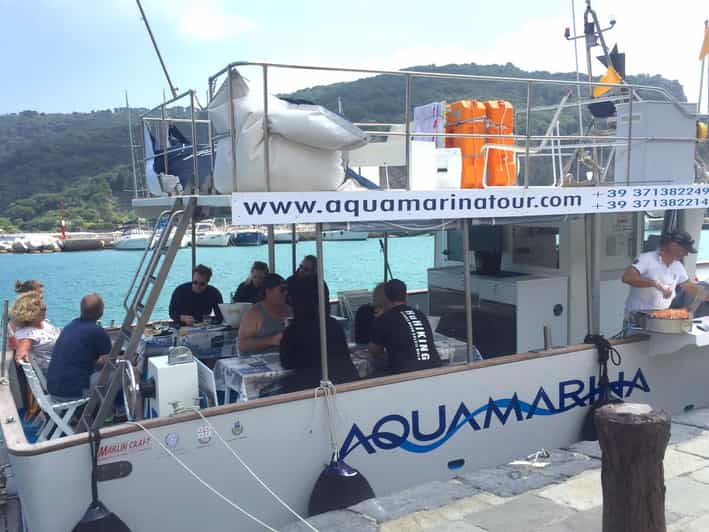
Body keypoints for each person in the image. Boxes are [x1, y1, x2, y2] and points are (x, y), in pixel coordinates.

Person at [280, 279, 358, 391]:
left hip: (311, 388)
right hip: (346, 383)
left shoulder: (293, 330)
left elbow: (286, 363)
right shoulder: (333, 324)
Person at [622, 230, 707, 314]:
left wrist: (706, 296)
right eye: (685, 250)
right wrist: (655, 284)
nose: (686, 254)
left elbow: (689, 286)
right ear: (673, 246)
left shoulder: (678, 266)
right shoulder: (646, 259)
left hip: (661, 315)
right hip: (637, 314)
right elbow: (627, 278)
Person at [368, 279, 442, 374]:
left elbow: (374, 351)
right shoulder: (420, 315)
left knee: (375, 366)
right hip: (435, 370)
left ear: (387, 299)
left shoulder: (384, 319)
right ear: (406, 296)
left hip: (406, 375)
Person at [47, 293, 112, 400]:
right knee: (125, 373)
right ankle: (122, 413)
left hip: (53, 389)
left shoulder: (69, 326)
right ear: (101, 312)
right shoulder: (97, 332)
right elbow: (109, 362)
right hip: (73, 392)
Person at [11, 291, 60, 377]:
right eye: (42, 308)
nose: (45, 307)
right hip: (54, 373)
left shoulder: (44, 323)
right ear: (32, 312)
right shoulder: (29, 333)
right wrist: (23, 358)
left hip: (62, 362)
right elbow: (21, 353)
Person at [238, 274, 289, 355]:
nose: (286, 293)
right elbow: (242, 345)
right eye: (282, 290)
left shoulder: (290, 311)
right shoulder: (254, 313)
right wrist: (271, 340)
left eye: (286, 289)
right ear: (268, 291)